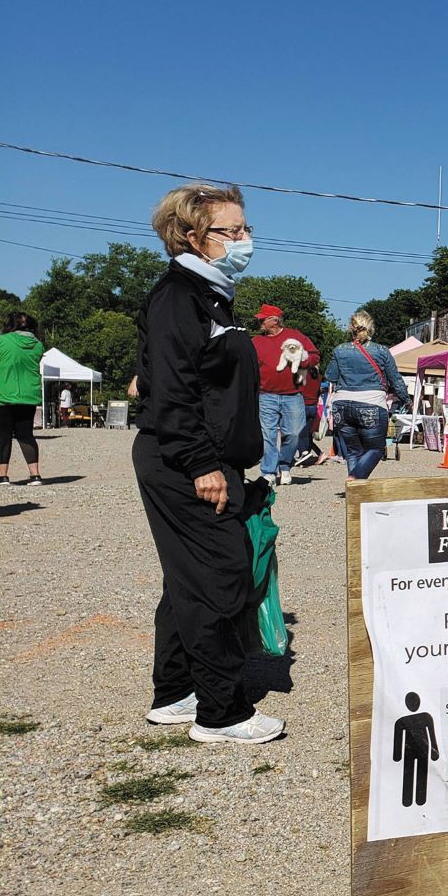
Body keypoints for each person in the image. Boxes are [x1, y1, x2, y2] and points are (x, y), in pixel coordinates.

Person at [133, 183, 283, 745]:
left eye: (246, 228)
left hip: (211, 457)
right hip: (186, 462)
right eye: (231, 230)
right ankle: (223, 712)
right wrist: (202, 464)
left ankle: (174, 692)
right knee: (219, 574)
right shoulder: (180, 295)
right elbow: (173, 389)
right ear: (191, 235)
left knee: (187, 577)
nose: (244, 240)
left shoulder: (214, 295)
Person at [325, 310, 409, 481]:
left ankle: (355, 489)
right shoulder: (381, 351)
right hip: (371, 404)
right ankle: (355, 478)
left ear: (351, 327)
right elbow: (396, 379)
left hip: (341, 404)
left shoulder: (339, 350)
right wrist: (406, 399)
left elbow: (330, 376)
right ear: (371, 328)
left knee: (353, 450)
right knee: (376, 449)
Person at [251, 304, 320, 488]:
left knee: (294, 433)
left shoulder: (295, 336)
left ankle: (285, 465)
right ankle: (268, 472)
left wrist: (303, 361)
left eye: (262, 319)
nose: (259, 322)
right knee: (268, 436)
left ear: (274, 320)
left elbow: (314, 355)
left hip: (293, 394)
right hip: (266, 395)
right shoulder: (256, 341)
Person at [0, 311, 44, 486]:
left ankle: (2, 476)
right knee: (26, 435)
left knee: (2, 436)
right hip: (29, 396)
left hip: (2, 395)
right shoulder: (38, 345)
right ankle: (35, 475)